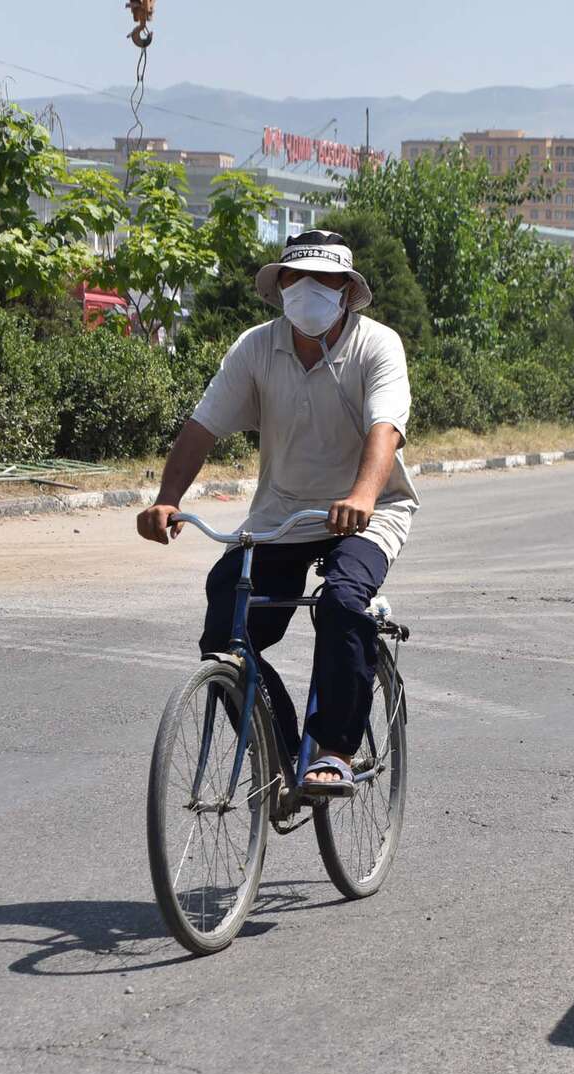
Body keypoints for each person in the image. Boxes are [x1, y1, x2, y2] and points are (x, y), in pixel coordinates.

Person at [136, 231, 419, 796]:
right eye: (297, 279)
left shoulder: (377, 345)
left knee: (342, 602)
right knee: (225, 624)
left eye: (325, 280)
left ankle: (335, 750)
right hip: (281, 515)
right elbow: (201, 427)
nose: (309, 290)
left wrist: (362, 496)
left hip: (367, 512)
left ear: (347, 292)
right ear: (281, 287)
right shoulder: (256, 348)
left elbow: (384, 428)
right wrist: (168, 497)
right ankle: (283, 750)